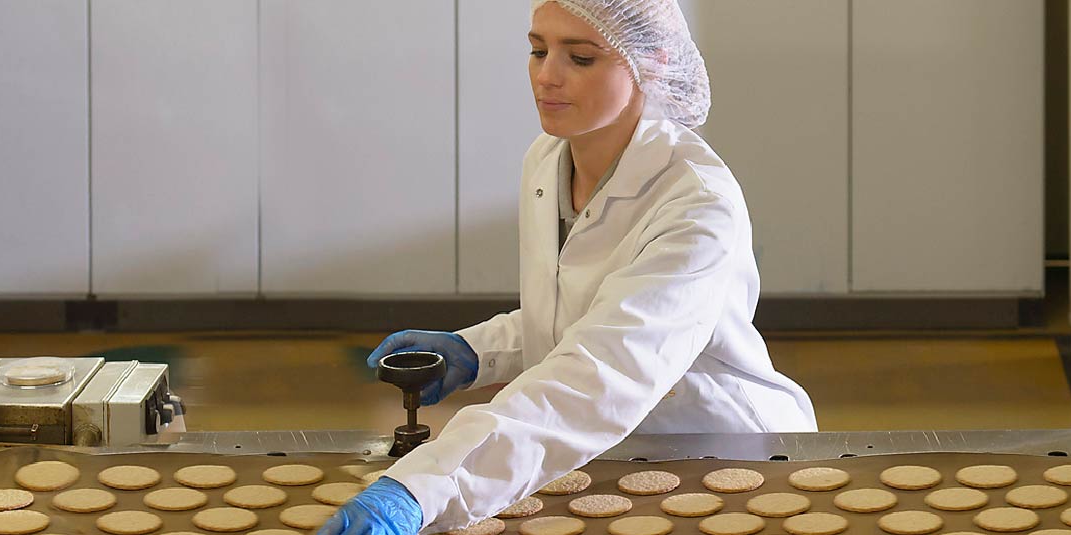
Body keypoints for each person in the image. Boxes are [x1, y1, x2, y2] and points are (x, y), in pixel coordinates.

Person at [322, 1, 816, 534]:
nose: (546, 76)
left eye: (580, 58)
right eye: (538, 51)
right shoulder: (547, 159)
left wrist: (422, 489)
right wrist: (478, 351)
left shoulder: (696, 203)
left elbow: (603, 372)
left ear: (651, 62)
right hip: (604, 449)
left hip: (720, 451)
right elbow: (579, 309)